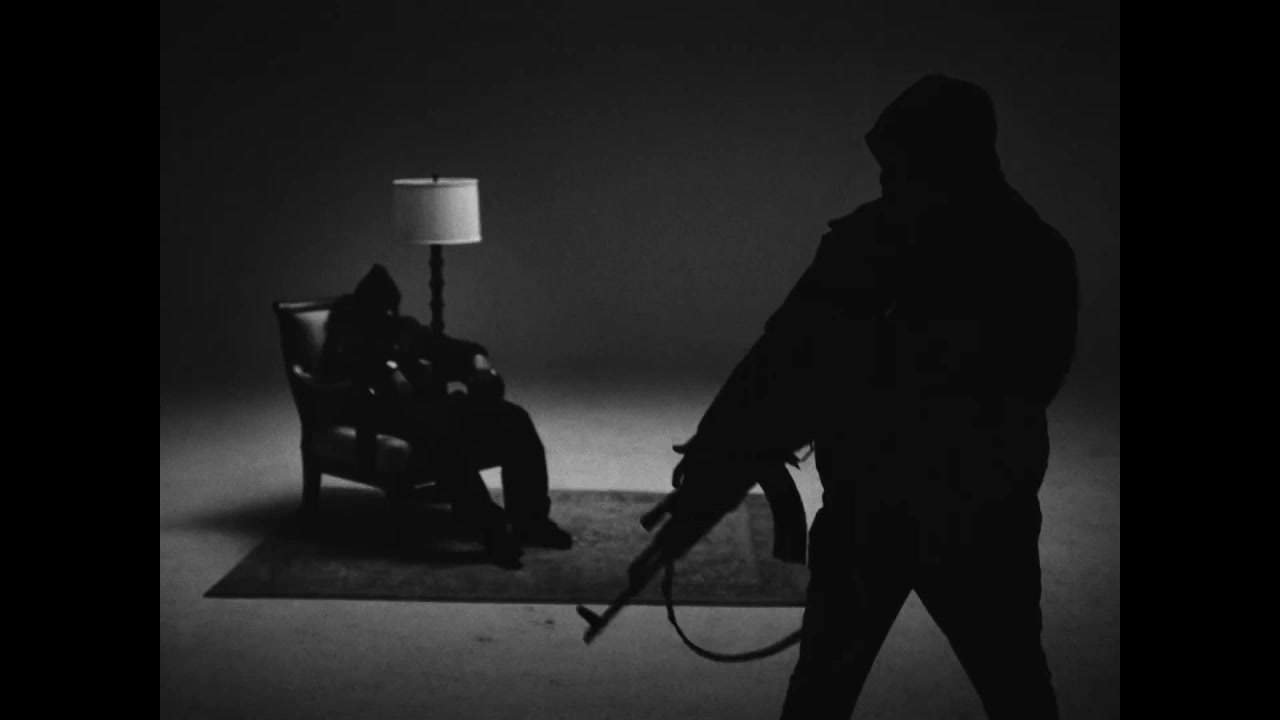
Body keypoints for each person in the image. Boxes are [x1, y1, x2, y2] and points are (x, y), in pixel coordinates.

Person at [674, 75, 1078, 719]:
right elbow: (789, 354)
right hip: (974, 511)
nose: (887, 177)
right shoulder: (1037, 249)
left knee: (838, 692)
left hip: (895, 511)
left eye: (900, 161)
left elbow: (785, 358)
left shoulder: (875, 241)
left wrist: (726, 443)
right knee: (1013, 684)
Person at [318, 264, 573, 569]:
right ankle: (491, 530)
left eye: (392, 307)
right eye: (381, 309)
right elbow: (333, 371)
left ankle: (531, 521)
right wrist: (386, 371)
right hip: (391, 415)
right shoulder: (348, 334)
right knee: (447, 441)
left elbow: (450, 348)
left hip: (438, 406)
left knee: (515, 418)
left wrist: (477, 358)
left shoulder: (406, 329)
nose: (388, 314)